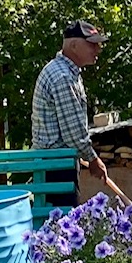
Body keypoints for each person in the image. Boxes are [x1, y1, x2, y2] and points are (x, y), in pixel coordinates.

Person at [31, 21, 110, 182]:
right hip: (55, 166)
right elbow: (73, 133)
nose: (98, 49)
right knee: (63, 208)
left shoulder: (65, 71)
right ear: (74, 45)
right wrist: (93, 159)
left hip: (53, 162)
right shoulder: (63, 77)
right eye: (92, 44)